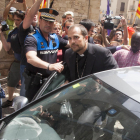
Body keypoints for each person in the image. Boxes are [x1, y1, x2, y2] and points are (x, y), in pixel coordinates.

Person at [24, 5, 69, 102]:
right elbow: (31, 58)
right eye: (46, 21)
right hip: (35, 82)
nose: (48, 24)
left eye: (51, 22)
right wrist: (50, 66)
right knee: (33, 108)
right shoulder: (32, 38)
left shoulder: (55, 37)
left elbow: (71, 44)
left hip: (50, 82)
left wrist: (89, 45)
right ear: (40, 21)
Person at [0, 10, 25, 108]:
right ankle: (10, 100)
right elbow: (7, 48)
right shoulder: (12, 33)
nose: (16, 22)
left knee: (25, 84)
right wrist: (1, 34)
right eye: (15, 20)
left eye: (18, 20)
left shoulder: (29, 30)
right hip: (17, 61)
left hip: (28, 62)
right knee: (11, 81)